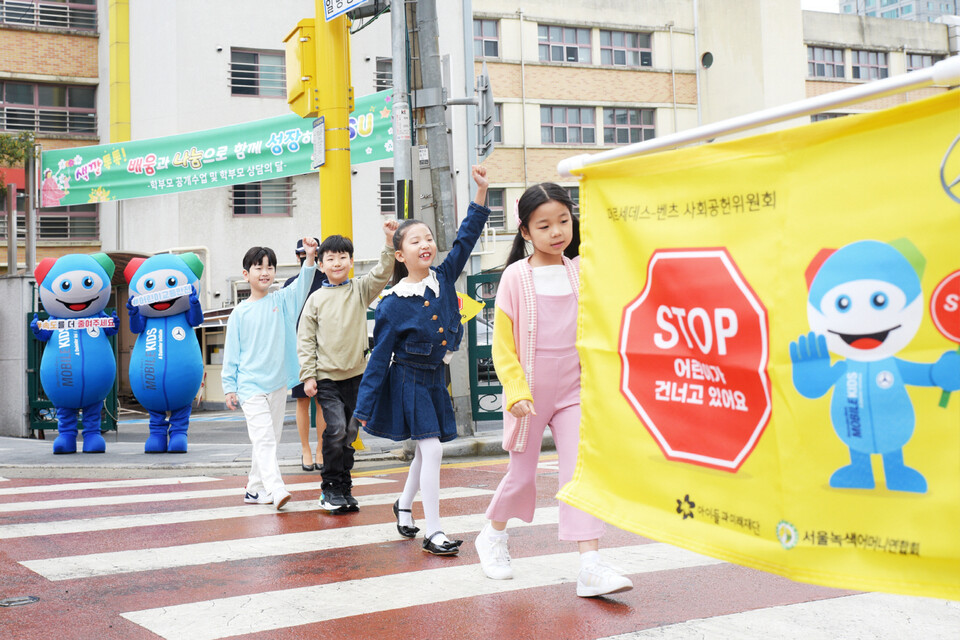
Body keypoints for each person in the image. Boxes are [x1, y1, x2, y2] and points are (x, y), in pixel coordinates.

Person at [472, 182, 634, 597]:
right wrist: (516, 390)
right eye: (544, 225)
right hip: (527, 393)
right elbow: (502, 346)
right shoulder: (514, 276)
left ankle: (590, 565)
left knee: (579, 472)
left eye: (563, 221)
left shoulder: (580, 270)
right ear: (525, 231)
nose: (557, 231)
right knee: (522, 477)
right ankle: (492, 535)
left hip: (574, 389)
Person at [354, 165, 490, 556]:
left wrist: (481, 192)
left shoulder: (444, 276)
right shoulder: (392, 303)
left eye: (428, 238)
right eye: (415, 241)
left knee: (424, 450)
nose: (425, 244)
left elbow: (467, 237)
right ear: (400, 254)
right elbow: (379, 358)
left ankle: (402, 505)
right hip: (409, 381)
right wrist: (363, 409)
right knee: (432, 450)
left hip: (436, 379)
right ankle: (434, 531)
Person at [297, 220, 398, 513]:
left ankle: (345, 487)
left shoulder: (360, 290)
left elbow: (383, 272)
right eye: (331, 258)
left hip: (358, 377)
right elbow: (305, 340)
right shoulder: (315, 299)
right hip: (327, 379)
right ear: (323, 264)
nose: (337, 262)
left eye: (343, 257)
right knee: (337, 429)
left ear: (351, 262)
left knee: (351, 433)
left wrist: (390, 241)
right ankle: (329, 488)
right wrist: (308, 376)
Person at [222, 238, 318, 510]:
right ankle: (276, 488)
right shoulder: (239, 313)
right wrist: (230, 386)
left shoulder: (283, 300)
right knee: (264, 438)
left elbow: (302, 286)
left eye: (270, 267)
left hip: (277, 384)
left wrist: (309, 258)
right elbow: (232, 353)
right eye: (258, 267)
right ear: (246, 274)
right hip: (250, 386)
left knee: (269, 439)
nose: (265, 272)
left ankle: (254, 489)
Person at [283, 237, 327, 472]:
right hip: (299, 350)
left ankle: (321, 448)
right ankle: (305, 450)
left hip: (324, 348)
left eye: (309, 252)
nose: (305, 256)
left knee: (322, 401)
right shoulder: (291, 283)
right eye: (301, 253)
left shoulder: (327, 279)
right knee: (302, 400)